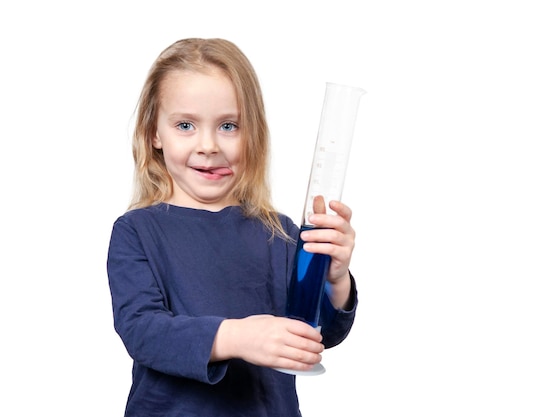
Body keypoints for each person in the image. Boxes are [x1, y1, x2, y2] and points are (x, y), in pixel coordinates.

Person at [106, 37, 358, 416]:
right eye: (186, 125)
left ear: (253, 134)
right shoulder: (137, 232)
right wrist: (236, 337)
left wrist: (336, 280)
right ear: (154, 134)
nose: (208, 145)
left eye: (228, 125)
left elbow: (318, 336)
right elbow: (143, 331)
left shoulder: (281, 233)